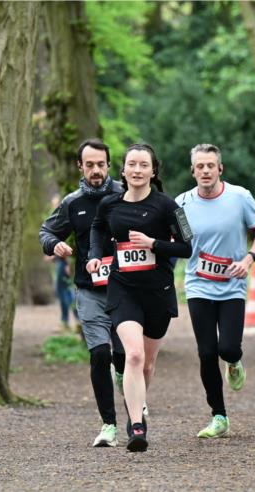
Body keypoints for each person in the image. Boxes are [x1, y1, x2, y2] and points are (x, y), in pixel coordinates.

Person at [87, 143, 192, 452]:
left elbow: (187, 247)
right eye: (131, 164)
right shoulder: (109, 204)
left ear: (153, 171)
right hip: (123, 288)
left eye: (143, 165)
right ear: (123, 170)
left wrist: (153, 243)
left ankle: (138, 402)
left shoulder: (169, 206)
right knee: (133, 355)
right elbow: (97, 230)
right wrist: (94, 256)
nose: (136, 170)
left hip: (158, 292)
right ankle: (136, 425)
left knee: (146, 365)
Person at [175, 144, 255, 439]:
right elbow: (179, 242)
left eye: (210, 166)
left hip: (232, 286)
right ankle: (219, 416)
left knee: (227, 348)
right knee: (206, 353)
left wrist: (248, 259)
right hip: (198, 285)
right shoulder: (182, 204)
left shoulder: (240, 197)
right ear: (193, 171)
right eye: (200, 166)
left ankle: (234, 361)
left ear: (220, 169)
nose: (205, 171)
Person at [39, 138, 127, 447]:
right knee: (100, 354)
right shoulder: (72, 203)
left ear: (109, 165)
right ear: (80, 167)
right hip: (90, 290)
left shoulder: (126, 196)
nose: (96, 170)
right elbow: (46, 231)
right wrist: (54, 244)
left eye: (101, 164)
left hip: (126, 290)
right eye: (89, 165)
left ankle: (131, 396)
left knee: (125, 356)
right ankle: (109, 424)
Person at [51, 255, 76, 331]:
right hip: (62, 264)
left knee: (66, 295)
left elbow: (68, 251)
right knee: (67, 294)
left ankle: (67, 322)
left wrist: (68, 264)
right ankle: (68, 322)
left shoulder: (63, 262)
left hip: (63, 265)